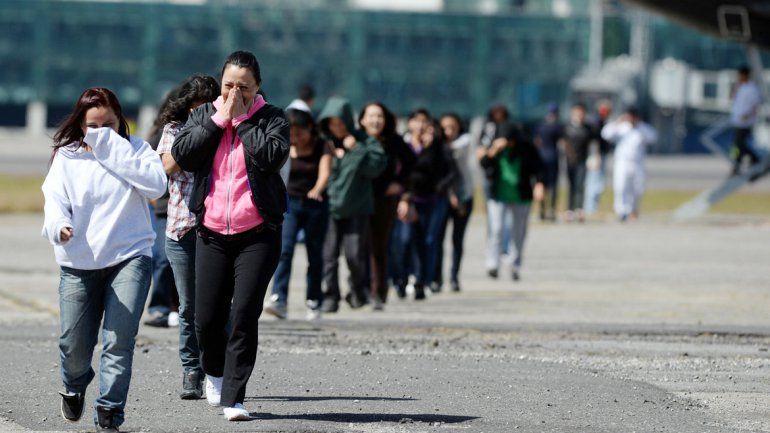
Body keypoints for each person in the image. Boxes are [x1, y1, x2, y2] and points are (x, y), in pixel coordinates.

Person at [171, 50, 289, 421]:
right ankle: (215, 372)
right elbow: (183, 156)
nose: (235, 92)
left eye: (244, 87)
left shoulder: (273, 118)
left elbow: (272, 157)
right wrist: (219, 120)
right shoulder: (205, 114)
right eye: (229, 85)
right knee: (206, 318)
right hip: (211, 233)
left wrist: (242, 123)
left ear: (258, 87)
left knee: (243, 314)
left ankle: (235, 398)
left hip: (258, 233)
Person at [42, 87, 166, 432]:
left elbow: (156, 187)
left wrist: (111, 148)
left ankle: (110, 411)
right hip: (79, 262)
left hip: (130, 257)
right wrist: (59, 225)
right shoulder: (67, 156)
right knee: (74, 345)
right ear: (80, 126)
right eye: (91, 127)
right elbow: (53, 198)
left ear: (120, 121)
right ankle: (74, 384)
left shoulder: (137, 149)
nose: (99, 134)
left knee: (118, 339)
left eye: (107, 126)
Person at [155, 74, 219, 399]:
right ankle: (191, 370)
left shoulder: (226, 131)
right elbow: (165, 166)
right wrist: (200, 134)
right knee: (188, 305)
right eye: (197, 106)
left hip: (217, 228)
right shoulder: (173, 130)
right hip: (180, 227)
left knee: (216, 305)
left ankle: (215, 368)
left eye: (209, 106)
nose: (202, 112)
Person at [318, 97, 387, 313]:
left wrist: (356, 149)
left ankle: (358, 290)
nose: (336, 127)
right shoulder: (324, 143)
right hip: (329, 209)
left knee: (355, 255)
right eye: (332, 123)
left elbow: (375, 167)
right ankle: (330, 296)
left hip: (357, 208)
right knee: (328, 256)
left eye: (340, 122)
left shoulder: (365, 141)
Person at [264, 108, 333, 320]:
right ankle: (279, 298)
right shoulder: (283, 145)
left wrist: (317, 189)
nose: (295, 137)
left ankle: (314, 301)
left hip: (315, 203)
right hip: (289, 204)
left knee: (315, 253)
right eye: (291, 132)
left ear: (310, 129)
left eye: (299, 132)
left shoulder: (322, 145)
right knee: (284, 250)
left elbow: (325, 172)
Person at [360, 102, 415, 310]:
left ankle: (378, 291)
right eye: (371, 116)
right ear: (363, 119)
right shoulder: (357, 139)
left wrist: (399, 184)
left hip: (383, 200)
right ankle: (359, 287)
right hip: (357, 199)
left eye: (379, 116)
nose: (375, 121)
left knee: (378, 246)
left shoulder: (393, 140)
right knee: (357, 246)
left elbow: (411, 163)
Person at [396, 120, 457, 299]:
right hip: (410, 201)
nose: (424, 134)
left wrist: (441, 187)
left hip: (431, 201)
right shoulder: (408, 149)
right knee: (405, 240)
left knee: (427, 241)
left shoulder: (439, 150)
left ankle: (422, 281)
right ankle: (402, 278)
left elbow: (450, 172)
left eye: (429, 130)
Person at [480, 122, 544, 281]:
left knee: (519, 233)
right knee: (496, 229)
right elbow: (484, 164)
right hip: (498, 195)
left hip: (521, 195)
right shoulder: (496, 149)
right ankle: (492, 263)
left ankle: (515, 264)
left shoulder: (526, 148)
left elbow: (540, 168)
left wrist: (539, 184)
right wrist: (493, 151)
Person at [144, 91, 178, 328]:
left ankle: (176, 307)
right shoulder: (158, 135)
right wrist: (153, 198)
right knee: (162, 257)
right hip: (162, 206)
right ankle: (159, 307)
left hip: (186, 206)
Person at [435, 113, 474, 292]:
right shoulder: (438, 146)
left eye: (453, 127)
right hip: (442, 197)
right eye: (445, 128)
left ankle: (454, 277)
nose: (449, 131)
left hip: (464, 195)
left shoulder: (464, 142)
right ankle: (437, 277)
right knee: (438, 238)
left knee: (457, 239)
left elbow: (456, 148)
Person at [601, 107, 658, 222]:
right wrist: (618, 122)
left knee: (638, 188)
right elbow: (605, 134)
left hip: (637, 163)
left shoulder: (642, 128)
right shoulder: (621, 127)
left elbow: (653, 137)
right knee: (621, 186)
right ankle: (621, 211)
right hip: (622, 162)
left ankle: (633, 209)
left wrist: (639, 126)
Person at [562, 103, 595, 222]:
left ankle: (580, 209)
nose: (580, 115)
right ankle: (569, 210)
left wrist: (594, 157)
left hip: (583, 159)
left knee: (580, 184)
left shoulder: (588, 128)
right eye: (577, 113)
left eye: (582, 113)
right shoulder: (567, 127)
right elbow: (563, 142)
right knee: (571, 185)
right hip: (570, 160)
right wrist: (567, 153)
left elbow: (593, 143)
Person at [730, 66, 763, 175]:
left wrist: (748, 116)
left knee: (739, 144)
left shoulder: (752, 88)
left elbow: (755, 105)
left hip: (746, 122)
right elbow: (733, 99)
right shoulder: (740, 87)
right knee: (738, 145)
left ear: (745, 75)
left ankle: (754, 159)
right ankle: (737, 166)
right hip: (737, 121)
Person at [533, 103, 563, 222]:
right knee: (551, 186)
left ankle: (542, 210)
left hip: (542, 158)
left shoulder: (540, 126)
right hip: (552, 158)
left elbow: (537, 142)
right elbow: (562, 143)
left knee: (543, 185)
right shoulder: (557, 127)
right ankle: (550, 210)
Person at [584, 100, 612, 215]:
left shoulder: (605, 122)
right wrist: (596, 155)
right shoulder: (596, 123)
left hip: (601, 155)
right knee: (593, 181)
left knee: (599, 183)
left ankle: (593, 207)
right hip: (596, 155)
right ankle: (590, 207)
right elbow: (594, 141)